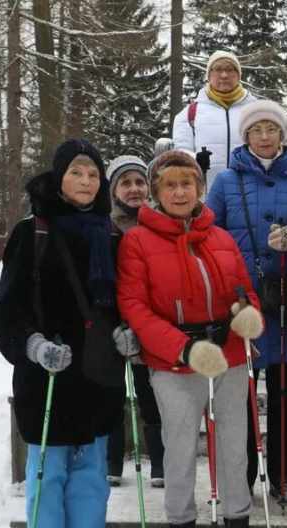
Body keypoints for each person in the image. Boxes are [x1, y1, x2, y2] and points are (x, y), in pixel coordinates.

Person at [117, 150, 271, 528]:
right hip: (175, 358)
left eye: (188, 183)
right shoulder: (138, 241)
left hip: (228, 354)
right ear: (156, 192)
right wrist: (183, 349)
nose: (180, 191)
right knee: (180, 447)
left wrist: (247, 313)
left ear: (200, 189)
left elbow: (245, 289)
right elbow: (134, 305)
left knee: (234, 445)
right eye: (171, 184)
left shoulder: (219, 236)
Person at [0, 138, 125, 528]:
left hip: (97, 368)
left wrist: (128, 332)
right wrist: (31, 345)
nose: (86, 181)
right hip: (47, 370)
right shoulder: (34, 232)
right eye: (76, 173)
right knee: (50, 468)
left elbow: (124, 301)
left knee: (90, 470)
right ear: (59, 177)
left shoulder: (111, 234)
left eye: (92, 174)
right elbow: (5, 307)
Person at [206, 100, 287, 503]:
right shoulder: (224, 182)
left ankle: (283, 477)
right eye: (257, 130)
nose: (265, 136)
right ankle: (243, 477)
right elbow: (207, 233)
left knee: (283, 396)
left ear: (283, 135)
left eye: (272, 129)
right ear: (246, 136)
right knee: (240, 396)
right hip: (240, 303)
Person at [105, 155, 166, 488]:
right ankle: (112, 461)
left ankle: (159, 462)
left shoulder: (158, 223)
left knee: (150, 393)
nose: (134, 189)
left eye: (140, 182)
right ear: (114, 190)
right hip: (111, 323)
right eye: (125, 183)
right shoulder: (104, 226)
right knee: (113, 392)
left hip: (149, 322)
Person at [170, 50, 258, 185]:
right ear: (209, 75)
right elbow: (180, 154)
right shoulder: (189, 114)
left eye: (230, 69)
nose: (224, 75)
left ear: (238, 75)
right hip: (206, 196)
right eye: (218, 69)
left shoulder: (257, 110)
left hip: (249, 194)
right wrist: (196, 159)